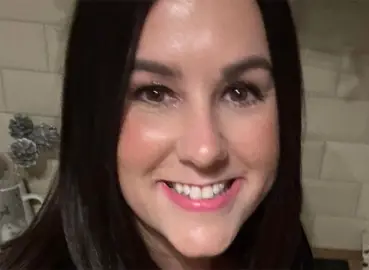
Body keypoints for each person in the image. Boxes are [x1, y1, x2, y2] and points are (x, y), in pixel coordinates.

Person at [0, 0, 312, 269]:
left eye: (240, 92)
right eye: (154, 93)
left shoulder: (285, 247)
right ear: (92, 113)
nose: (205, 150)